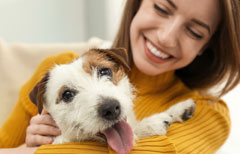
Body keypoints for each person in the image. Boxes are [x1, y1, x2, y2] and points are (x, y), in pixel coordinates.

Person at [0, 0, 240, 153]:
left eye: (194, 31)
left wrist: (39, 153)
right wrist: (28, 145)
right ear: (137, 4)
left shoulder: (208, 114)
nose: (166, 38)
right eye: (161, 8)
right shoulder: (56, 69)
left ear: (207, 45)